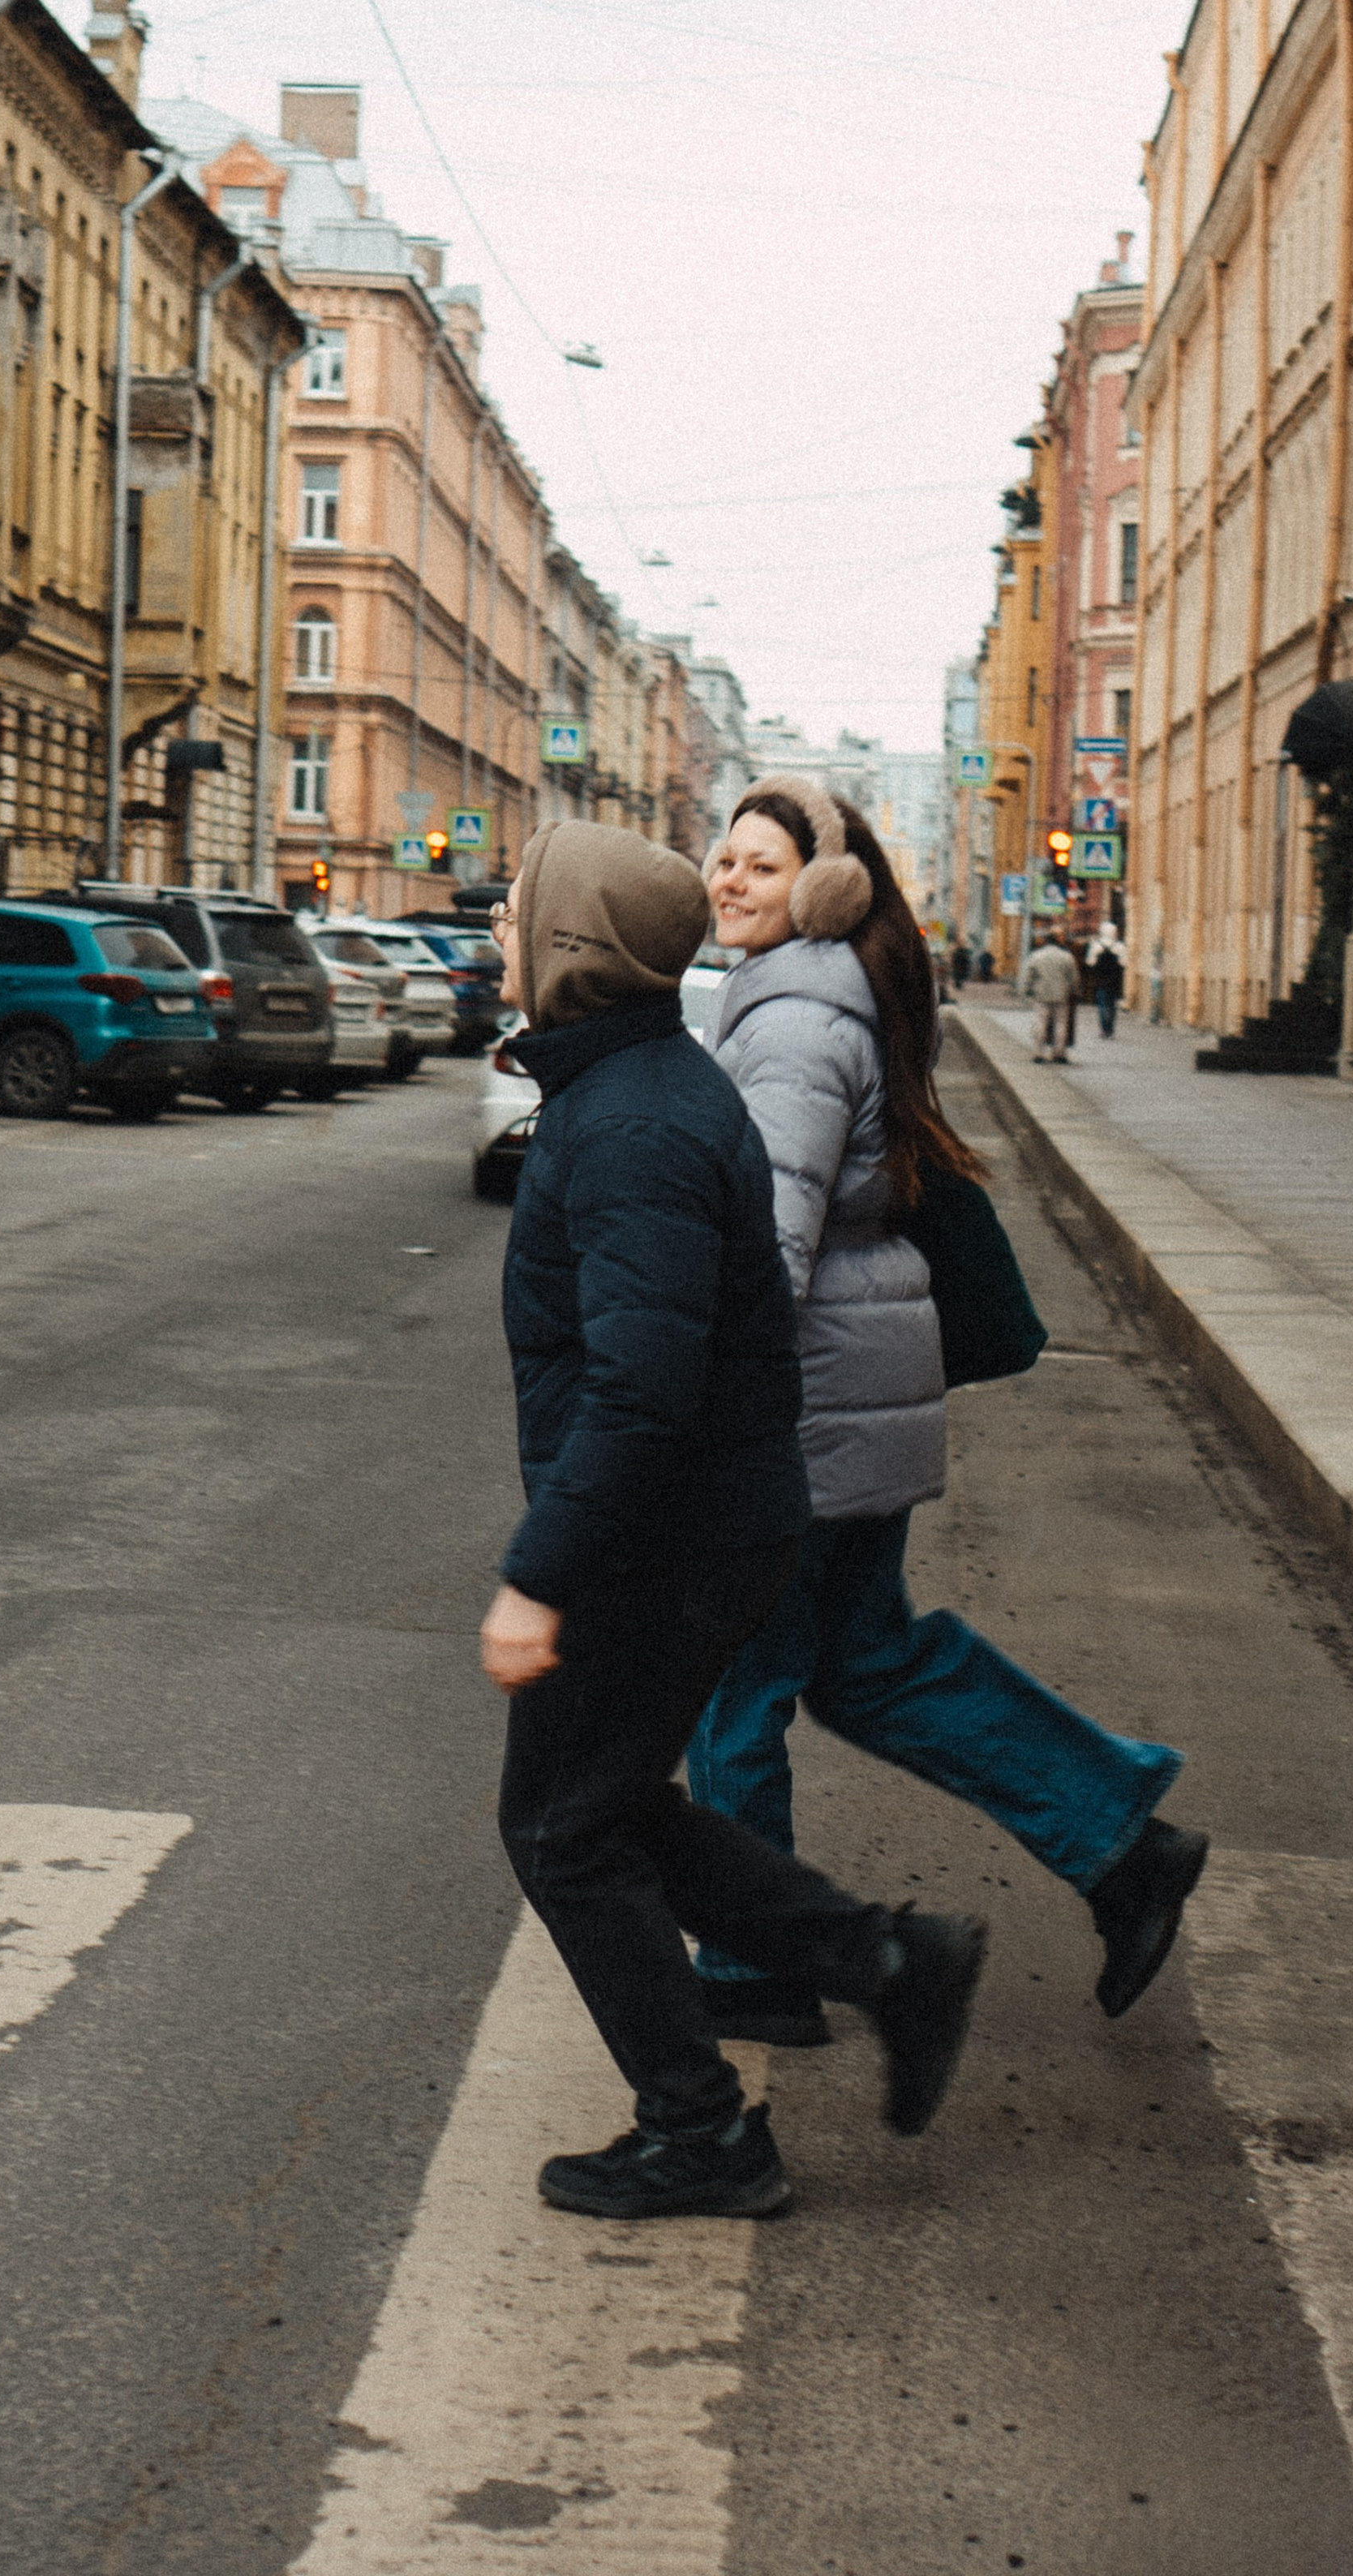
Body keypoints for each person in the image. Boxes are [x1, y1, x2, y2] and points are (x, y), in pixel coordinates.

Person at [479, 819, 988, 2222]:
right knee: (611, 1808)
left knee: (563, 1831)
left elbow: (643, 1393)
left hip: (670, 1535)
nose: (495, 932)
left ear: (574, 951)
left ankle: (705, 2129)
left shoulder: (636, 1120)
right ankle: (889, 1961)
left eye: (515, 911)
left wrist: (540, 1574)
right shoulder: (631, 1088)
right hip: (700, 1525)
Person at [685, 776, 1207, 2047]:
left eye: (762, 864)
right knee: (870, 1667)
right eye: (724, 856)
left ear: (822, 887)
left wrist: (695, 1404)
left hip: (802, 1417)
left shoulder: (798, 1022)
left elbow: (770, 1244)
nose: (729, 879)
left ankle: (764, 1965)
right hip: (852, 1402)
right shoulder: (817, 998)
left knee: (732, 1693)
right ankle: (1119, 1838)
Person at [1024, 925, 1079, 1062]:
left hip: (1041, 994)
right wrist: (1075, 991)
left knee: (1040, 1023)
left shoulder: (1037, 956)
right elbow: (1074, 977)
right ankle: (1059, 1053)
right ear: (1057, 942)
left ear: (1046, 942)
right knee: (1061, 1024)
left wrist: (1028, 990)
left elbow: (1030, 975)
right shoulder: (1067, 957)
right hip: (1061, 995)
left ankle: (1039, 1053)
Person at [1086, 925, 1126, 1039]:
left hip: (1101, 980)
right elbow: (1124, 963)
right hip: (1114, 981)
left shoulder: (1096, 945)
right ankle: (1111, 1030)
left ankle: (1104, 1030)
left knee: (1102, 1005)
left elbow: (1090, 962)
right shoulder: (1119, 946)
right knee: (1112, 1006)